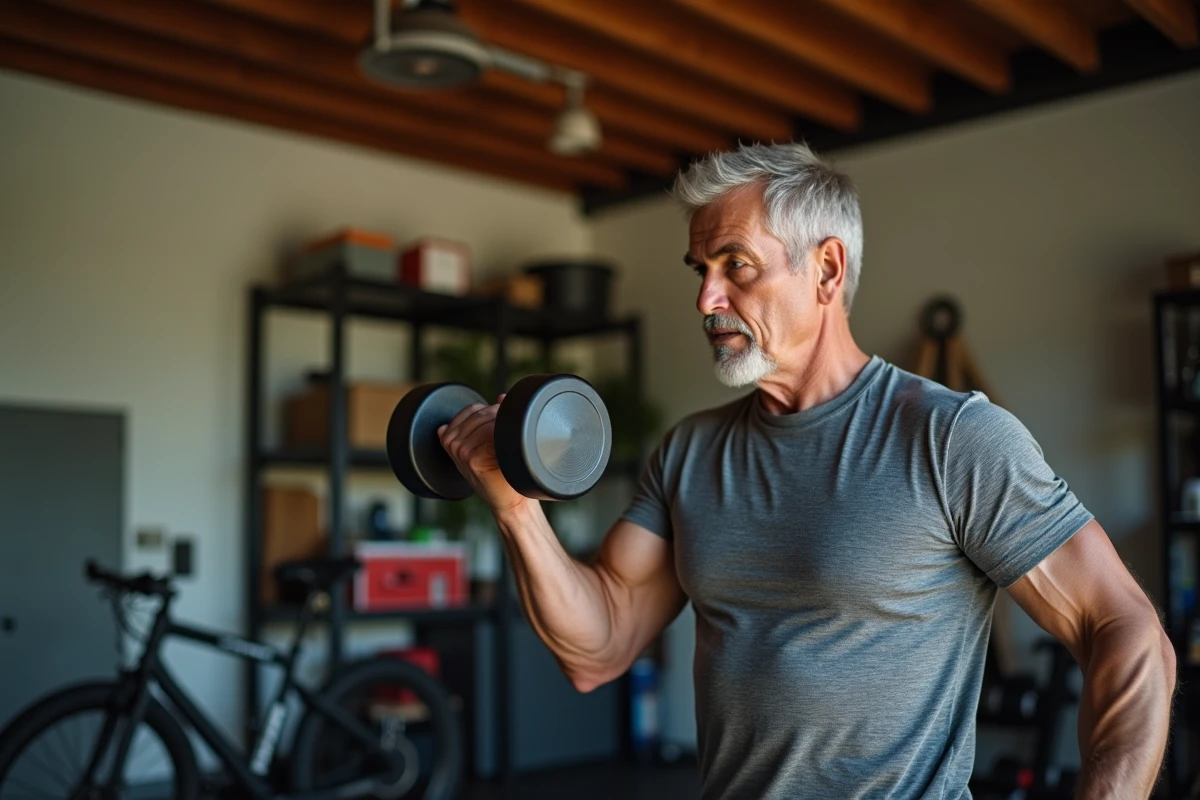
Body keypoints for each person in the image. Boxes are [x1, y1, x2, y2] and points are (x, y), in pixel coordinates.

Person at [437, 142, 1176, 799]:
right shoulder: (690, 453)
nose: (706, 299)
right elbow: (599, 649)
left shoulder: (952, 438)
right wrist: (515, 510)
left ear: (826, 269)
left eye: (737, 267)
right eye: (701, 270)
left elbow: (1121, 626)